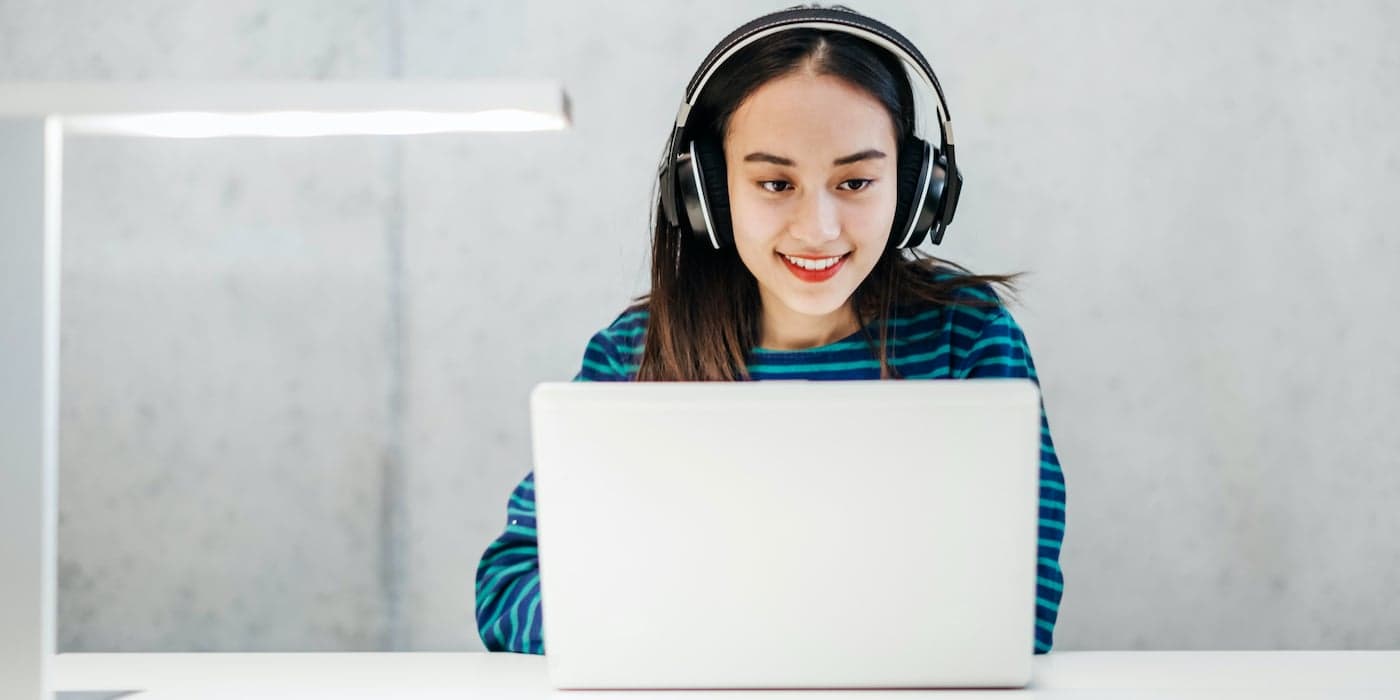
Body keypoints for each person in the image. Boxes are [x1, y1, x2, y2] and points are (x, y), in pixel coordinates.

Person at [475, 4, 1066, 655]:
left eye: (857, 180)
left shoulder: (968, 338)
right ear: (706, 194)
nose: (818, 228)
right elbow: (508, 588)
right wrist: (659, 626)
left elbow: (1019, 607)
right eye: (775, 182)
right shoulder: (635, 354)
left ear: (916, 187)